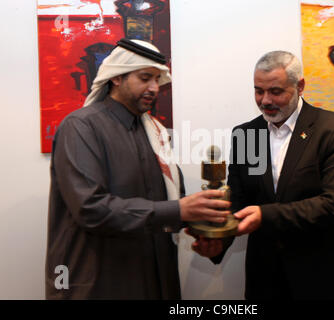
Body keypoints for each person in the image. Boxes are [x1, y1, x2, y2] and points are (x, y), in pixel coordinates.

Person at [45, 38, 231, 299]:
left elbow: (167, 202)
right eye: (145, 78)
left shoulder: (154, 132)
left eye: (157, 79)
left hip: (156, 275)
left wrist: (201, 224)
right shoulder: (81, 127)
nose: (154, 88)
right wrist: (178, 209)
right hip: (101, 280)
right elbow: (90, 208)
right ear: (117, 78)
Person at [190, 51, 334, 300]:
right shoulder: (247, 135)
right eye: (258, 91)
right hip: (267, 278)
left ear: (300, 86)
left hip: (325, 273)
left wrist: (264, 215)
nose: (265, 100)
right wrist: (219, 241)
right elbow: (239, 200)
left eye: (275, 91)